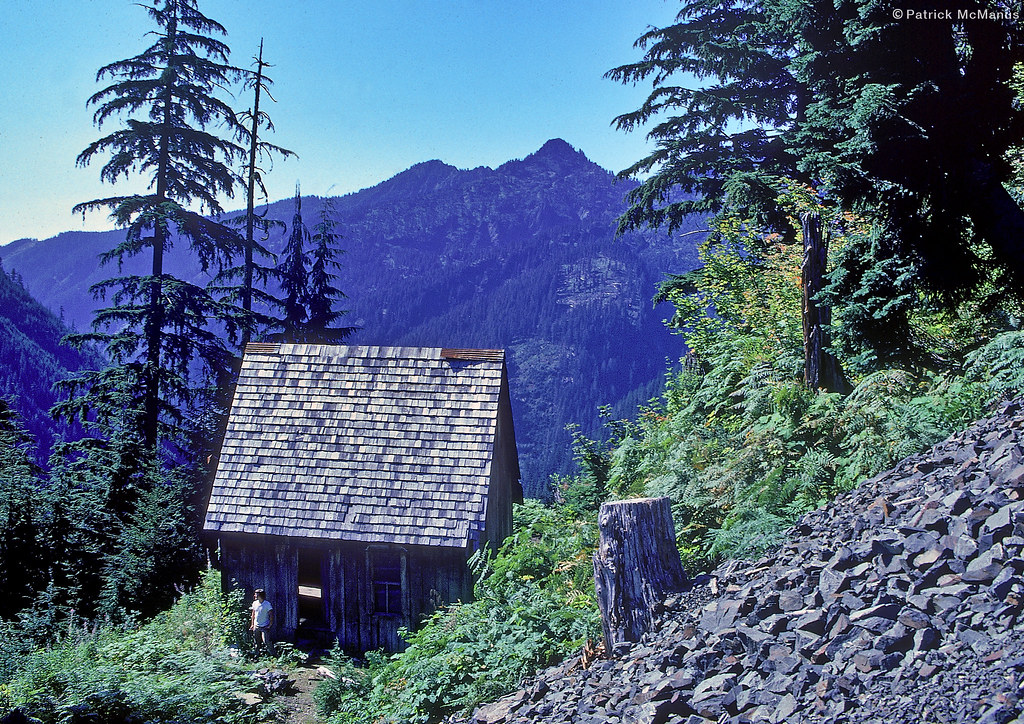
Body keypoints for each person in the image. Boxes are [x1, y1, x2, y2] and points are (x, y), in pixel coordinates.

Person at [250, 588, 275, 656]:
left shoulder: (267, 604)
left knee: (266, 641)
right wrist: (252, 624)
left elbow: (271, 615)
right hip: (256, 626)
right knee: (256, 642)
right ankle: (256, 654)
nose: (255, 596)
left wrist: (270, 625)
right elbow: (253, 614)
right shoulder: (255, 603)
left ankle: (273, 655)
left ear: (260, 595)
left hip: (264, 626)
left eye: (256, 594)